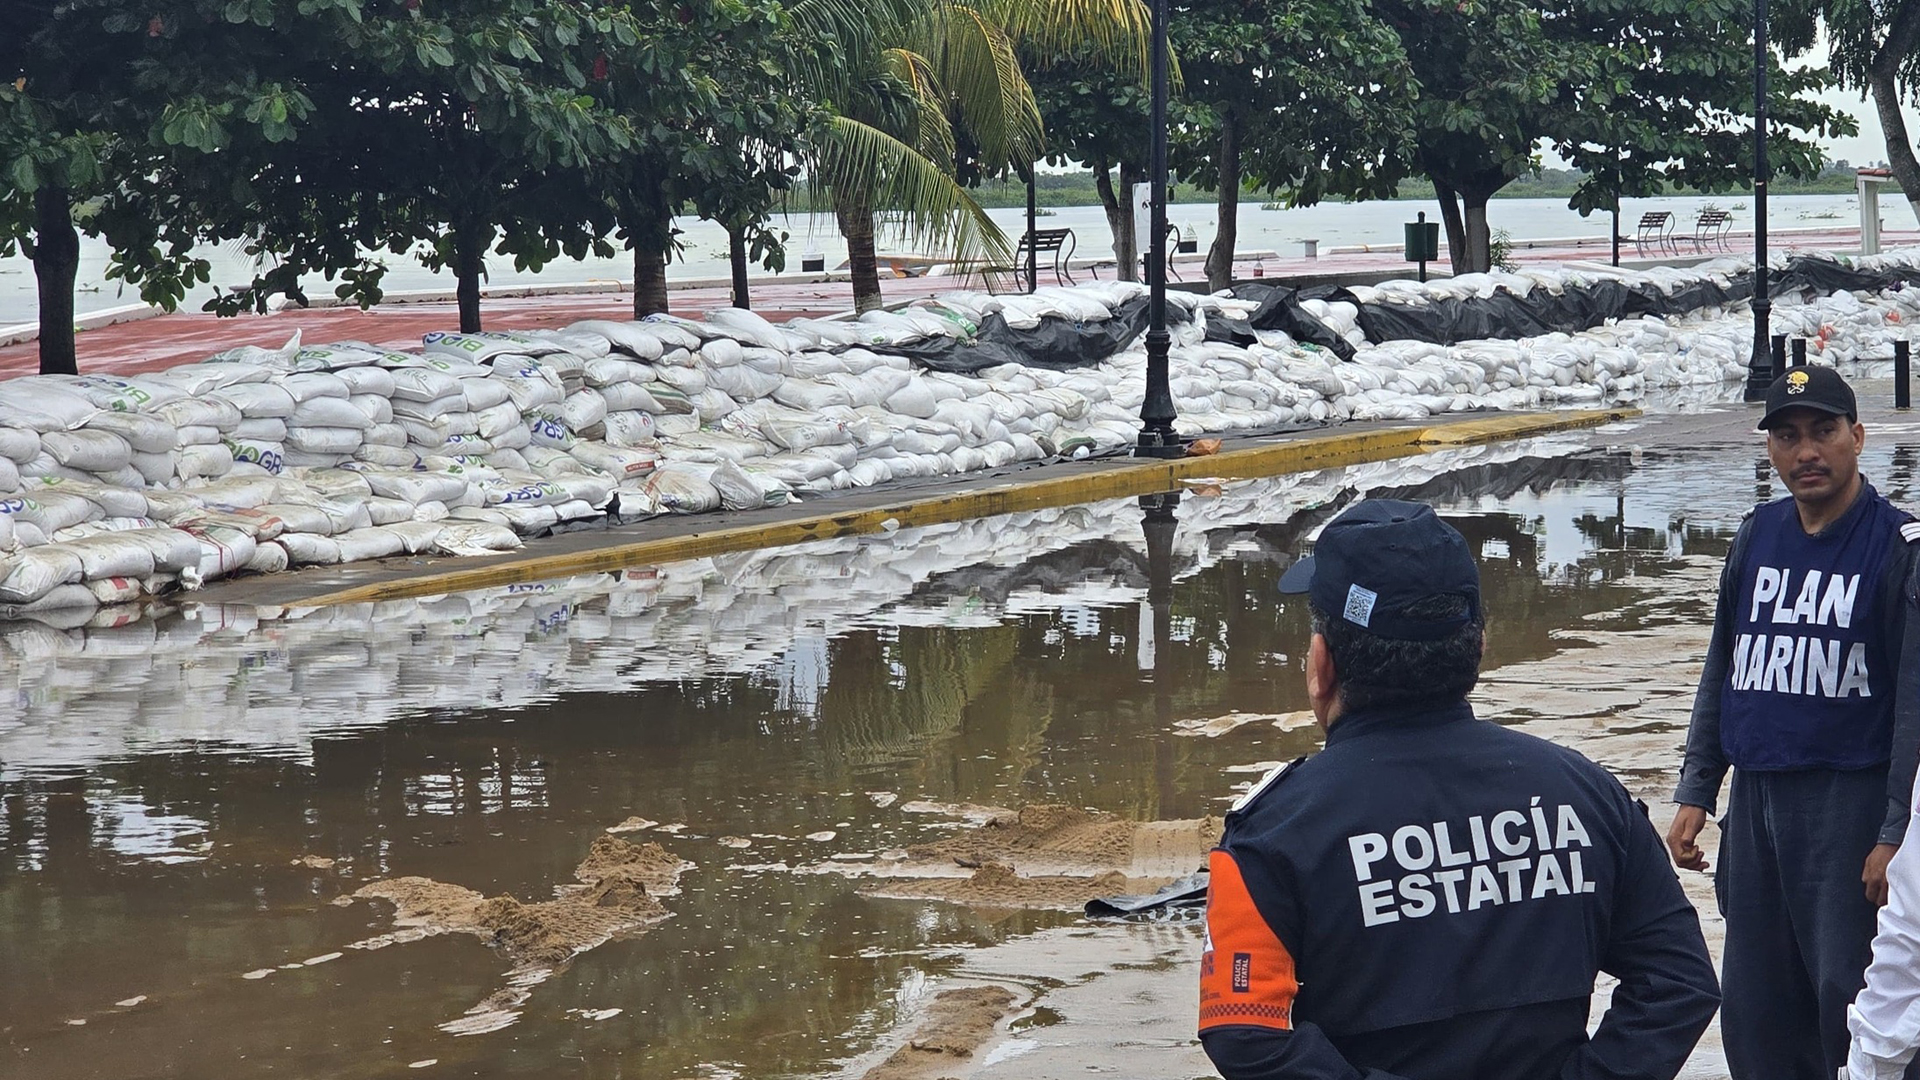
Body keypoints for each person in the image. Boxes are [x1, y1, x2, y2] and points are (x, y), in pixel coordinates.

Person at [1199, 498, 1719, 1080]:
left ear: (1321, 665)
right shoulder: (1585, 795)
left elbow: (1245, 1030)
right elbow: (1681, 983)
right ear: (1478, 649)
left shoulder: (1275, 832)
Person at [1667, 365, 1920, 1080]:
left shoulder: (1899, 548)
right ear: (1771, 449)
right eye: (1787, 435)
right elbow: (1726, 665)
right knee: (1755, 1004)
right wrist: (1696, 787)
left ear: (1858, 437)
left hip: (1849, 804)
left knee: (1849, 997)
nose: (1806, 451)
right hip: (1757, 807)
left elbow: (1914, 706)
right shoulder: (1757, 536)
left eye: (1823, 432)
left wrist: (1895, 833)